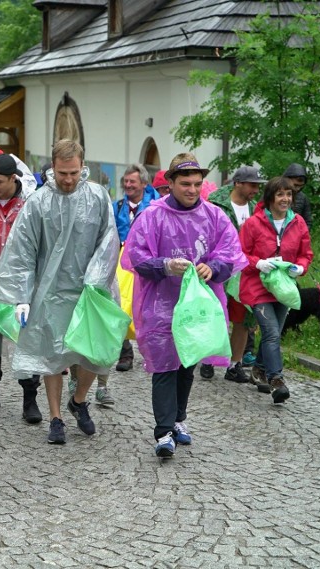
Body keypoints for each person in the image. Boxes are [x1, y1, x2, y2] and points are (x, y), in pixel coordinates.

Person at [0, 139, 120, 445]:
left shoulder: (97, 197)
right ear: (53, 168)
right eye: (63, 172)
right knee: (52, 354)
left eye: (74, 172)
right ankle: (55, 418)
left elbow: (109, 241)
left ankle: (78, 401)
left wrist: (98, 279)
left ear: (83, 167)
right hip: (49, 292)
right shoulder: (38, 202)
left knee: (93, 352)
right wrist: (21, 297)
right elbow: (21, 252)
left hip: (89, 290)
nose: (68, 179)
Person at [122, 153, 247, 458]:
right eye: (185, 183)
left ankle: (178, 420)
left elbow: (230, 253)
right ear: (171, 184)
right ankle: (163, 431)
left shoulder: (214, 216)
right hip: (161, 304)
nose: (192, 189)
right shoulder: (152, 216)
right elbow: (136, 257)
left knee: (187, 364)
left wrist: (212, 268)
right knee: (164, 366)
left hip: (198, 306)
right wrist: (165, 265)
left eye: (196, 184)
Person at [0, 153, 42, 423]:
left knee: (25, 338)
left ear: (14, 179)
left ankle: (30, 398)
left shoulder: (30, 204)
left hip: (22, 281)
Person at [239, 176, 313, 402]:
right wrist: (258, 263)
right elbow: (239, 253)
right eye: (280, 194)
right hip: (257, 287)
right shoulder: (253, 223)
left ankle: (259, 370)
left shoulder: (298, 222)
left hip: (283, 288)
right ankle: (276, 380)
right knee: (271, 333)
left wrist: (300, 268)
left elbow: (305, 253)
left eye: (289, 195)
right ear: (270, 197)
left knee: (273, 334)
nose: (286, 199)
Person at [203, 166, 265, 383]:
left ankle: (234, 365)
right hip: (218, 268)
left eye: (258, 185)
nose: (256, 189)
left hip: (245, 271)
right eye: (252, 185)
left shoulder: (257, 209)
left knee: (242, 319)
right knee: (215, 315)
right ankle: (207, 360)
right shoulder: (215, 202)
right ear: (238, 183)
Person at [112, 163, 158, 374]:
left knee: (148, 308)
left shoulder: (156, 206)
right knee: (121, 304)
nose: (128, 185)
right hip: (121, 263)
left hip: (147, 262)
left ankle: (153, 354)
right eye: (126, 181)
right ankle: (125, 351)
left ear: (144, 184)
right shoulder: (117, 206)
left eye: (133, 181)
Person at [283, 163, 313, 231]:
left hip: (294, 236)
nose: (298, 189)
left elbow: (308, 222)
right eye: (295, 185)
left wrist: (300, 235)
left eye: (300, 186)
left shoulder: (303, 198)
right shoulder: (272, 192)